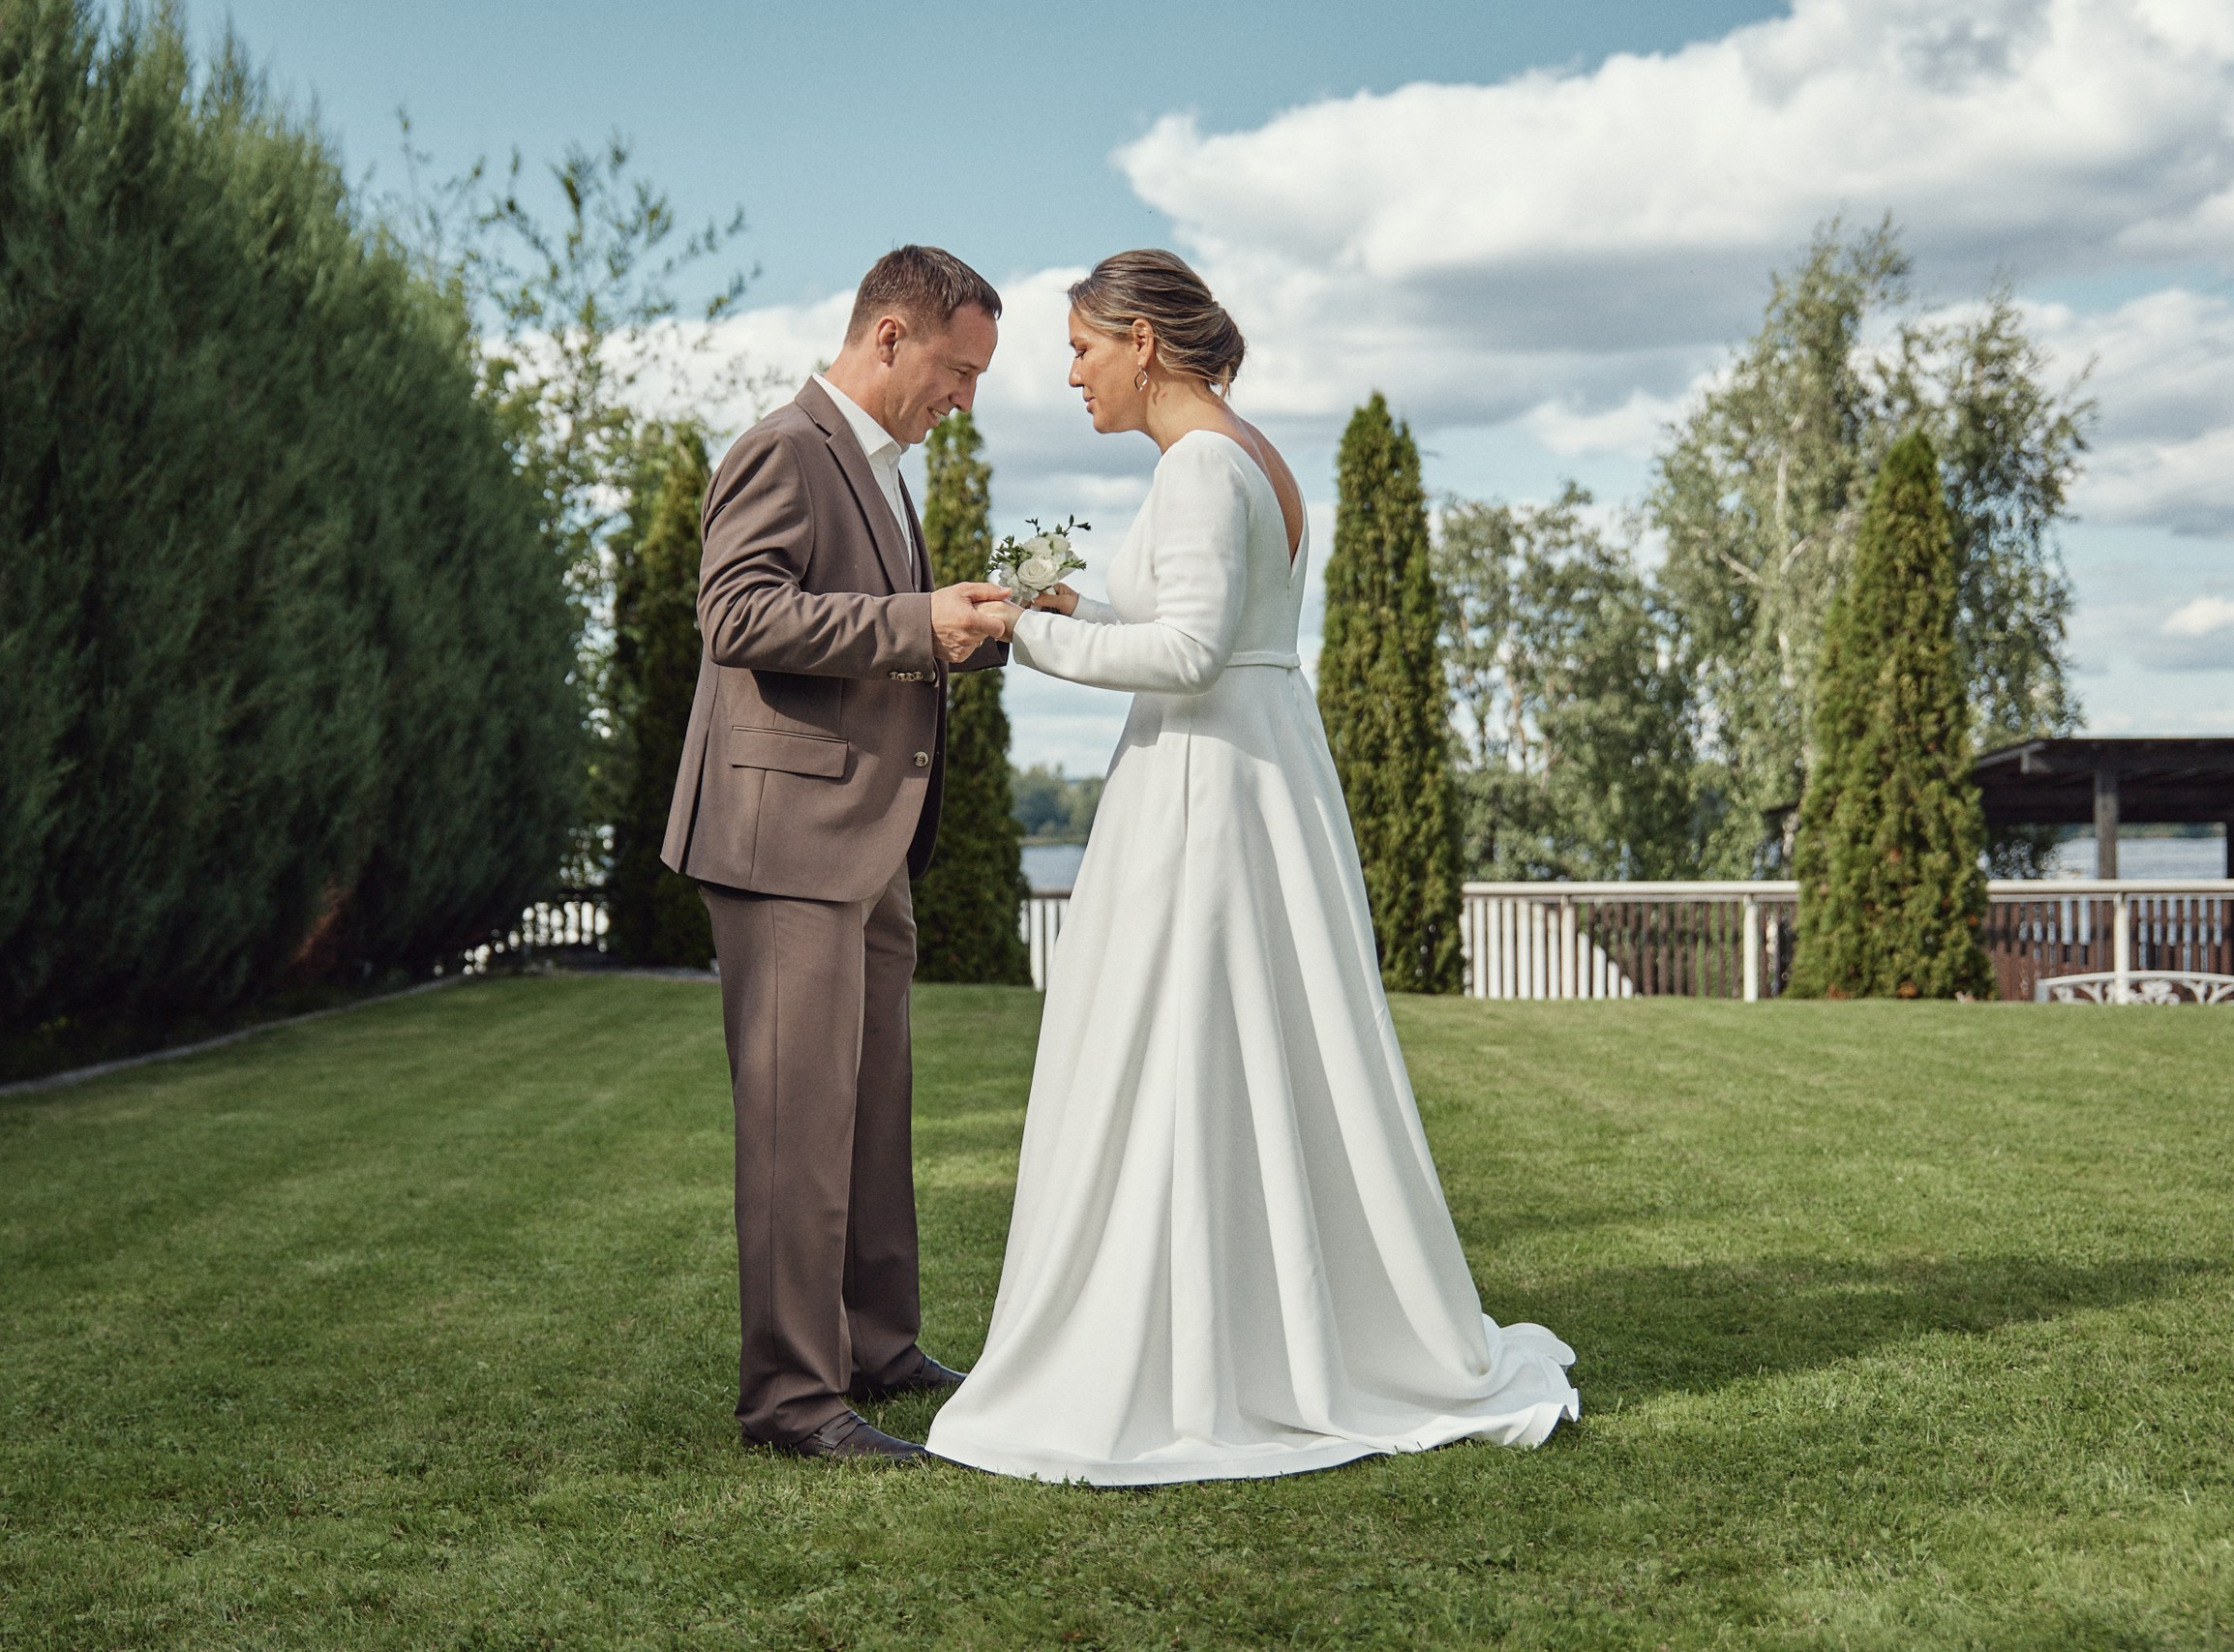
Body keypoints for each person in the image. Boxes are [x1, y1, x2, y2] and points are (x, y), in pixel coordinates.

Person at [924, 250, 1581, 1484]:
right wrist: (1083, 607)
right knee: (1235, 1051)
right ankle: (1250, 1324)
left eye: (1079, 348)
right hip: (1251, 766)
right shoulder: (1250, 457)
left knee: (1178, 1047)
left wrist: (1026, 626)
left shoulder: (1200, 467)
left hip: (1204, 791)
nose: (1069, 374)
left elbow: (1185, 659)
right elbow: (1212, 634)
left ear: (1142, 344)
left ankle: (1198, 1355)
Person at [662, 245, 1014, 1461]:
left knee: (871, 1122)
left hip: (868, 849)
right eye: (958, 372)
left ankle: (876, 1346)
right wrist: (922, 621)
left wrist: (982, 625)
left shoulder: (876, 469)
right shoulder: (783, 447)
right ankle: (793, 1403)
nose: (963, 400)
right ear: (888, 339)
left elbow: (874, 634)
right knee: (796, 1133)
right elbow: (739, 614)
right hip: (785, 848)